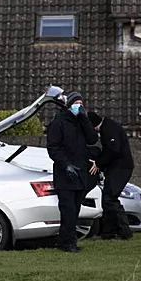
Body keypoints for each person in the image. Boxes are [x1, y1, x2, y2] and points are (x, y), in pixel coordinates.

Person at [46, 92, 99, 253]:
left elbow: (92, 139)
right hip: (65, 175)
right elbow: (53, 148)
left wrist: (84, 119)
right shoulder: (59, 122)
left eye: (81, 103)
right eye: (76, 103)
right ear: (68, 105)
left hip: (80, 174)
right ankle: (67, 243)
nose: (79, 106)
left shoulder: (82, 122)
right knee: (68, 210)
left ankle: (66, 241)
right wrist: (66, 165)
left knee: (75, 210)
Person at [87, 111, 135, 240]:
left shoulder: (109, 129)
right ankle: (108, 233)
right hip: (118, 167)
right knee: (107, 199)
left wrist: (99, 163)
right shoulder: (108, 127)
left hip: (121, 168)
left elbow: (113, 150)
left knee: (110, 199)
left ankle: (124, 232)